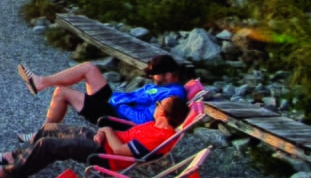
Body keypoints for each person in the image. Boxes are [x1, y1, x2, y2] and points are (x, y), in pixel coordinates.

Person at [0, 94, 185, 178]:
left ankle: (12, 173)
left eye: (159, 104)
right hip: (104, 142)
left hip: (106, 156)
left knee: (48, 145)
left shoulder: (159, 136)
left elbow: (122, 152)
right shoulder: (155, 125)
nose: (156, 106)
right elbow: (121, 138)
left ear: (164, 115)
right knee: (51, 129)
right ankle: (16, 156)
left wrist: (106, 130)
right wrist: (104, 132)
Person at [16, 53, 186, 133]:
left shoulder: (171, 98)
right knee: (89, 68)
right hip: (115, 104)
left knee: (62, 93)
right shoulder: (165, 87)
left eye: (154, 75)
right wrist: (118, 99)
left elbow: (143, 121)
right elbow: (136, 99)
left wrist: (118, 103)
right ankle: (41, 82)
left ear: (169, 75)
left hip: (120, 119)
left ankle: (40, 134)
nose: (151, 78)